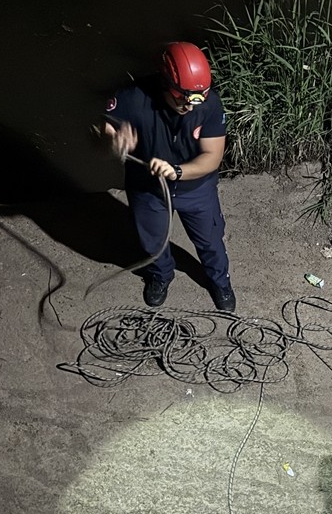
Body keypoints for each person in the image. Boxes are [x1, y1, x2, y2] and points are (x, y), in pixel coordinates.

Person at [101, 41, 236, 311]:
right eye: (183, 96)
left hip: (196, 189)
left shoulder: (209, 105)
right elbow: (103, 131)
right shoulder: (132, 97)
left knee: (210, 241)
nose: (190, 104)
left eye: (198, 96)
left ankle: (220, 281)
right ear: (165, 82)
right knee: (152, 241)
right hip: (147, 187)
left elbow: (212, 156)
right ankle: (160, 276)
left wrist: (178, 172)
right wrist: (113, 142)